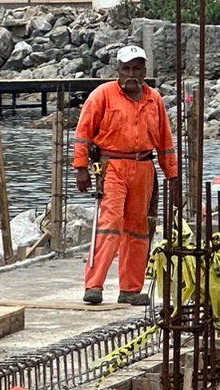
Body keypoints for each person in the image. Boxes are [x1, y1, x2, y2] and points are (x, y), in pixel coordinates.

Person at [72, 45, 179, 306]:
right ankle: (94, 285)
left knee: (138, 229)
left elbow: (164, 140)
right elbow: (83, 132)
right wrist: (81, 168)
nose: (131, 74)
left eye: (136, 69)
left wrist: (172, 175)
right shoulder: (102, 96)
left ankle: (130, 289)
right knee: (110, 224)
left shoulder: (154, 99)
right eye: (126, 69)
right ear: (117, 71)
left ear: (144, 71)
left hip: (143, 167)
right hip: (113, 167)